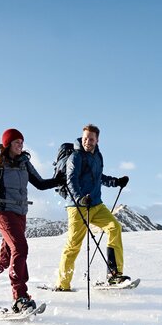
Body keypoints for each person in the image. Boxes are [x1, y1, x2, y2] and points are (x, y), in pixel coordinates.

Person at [0, 128, 64, 313]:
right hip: (2, 212)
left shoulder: (24, 163)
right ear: (7, 144)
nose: (20, 145)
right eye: (16, 142)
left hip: (20, 213)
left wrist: (57, 180)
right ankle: (19, 297)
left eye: (22, 141)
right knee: (20, 248)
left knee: (6, 258)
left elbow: (40, 183)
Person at [56, 123, 129, 291]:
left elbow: (98, 177)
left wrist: (115, 181)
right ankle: (62, 284)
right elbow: (71, 180)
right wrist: (80, 198)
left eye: (91, 139)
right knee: (74, 245)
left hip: (96, 204)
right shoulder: (75, 157)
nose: (87, 141)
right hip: (78, 206)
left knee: (114, 228)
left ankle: (114, 275)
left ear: (97, 140)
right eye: (85, 138)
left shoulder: (98, 156)